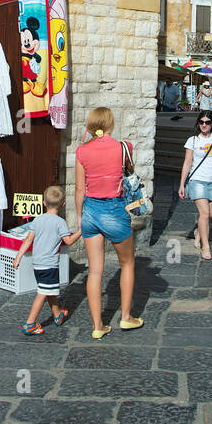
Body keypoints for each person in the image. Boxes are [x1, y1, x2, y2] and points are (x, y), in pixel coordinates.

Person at [75, 106, 144, 338]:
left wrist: (79, 217)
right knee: (127, 263)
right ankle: (126, 317)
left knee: (95, 271)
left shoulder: (81, 152)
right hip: (114, 209)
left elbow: (79, 190)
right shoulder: (124, 148)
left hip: (90, 212)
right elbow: (129, 176)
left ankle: (98, 326)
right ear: (110, 124)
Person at [15, 185, 81, 335]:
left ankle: (57, 315)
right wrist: (80, 232)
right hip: (49, 265)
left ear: (44, 203)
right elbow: (69, 241)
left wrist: (18, 257)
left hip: (37, 264)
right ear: (63, 204)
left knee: (49, 290)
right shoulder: (60, 222)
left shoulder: (37, 220)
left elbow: (28, 240)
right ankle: (30, 323)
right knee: (43, 293)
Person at [178, 111, 212, 260]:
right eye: (201, 122)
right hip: (197, 180)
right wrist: (182, 184)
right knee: (205, 214)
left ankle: (198, 234)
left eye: (207, 122)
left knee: (209, 216)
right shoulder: (193, 141)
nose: (204, 125)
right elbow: (187, 163)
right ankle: (206, 247)